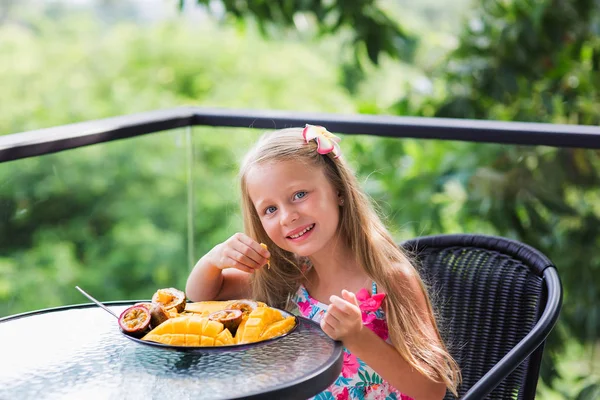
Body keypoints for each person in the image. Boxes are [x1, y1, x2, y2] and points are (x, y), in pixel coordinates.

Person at [186, 125, 461, 399]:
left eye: (299, 195)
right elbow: (200, 298)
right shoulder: (290, 277)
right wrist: (212, 261)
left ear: (339, 190)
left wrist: (357, 336)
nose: (287, 217)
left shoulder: (390, 278)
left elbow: (432, 389)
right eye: (270, 209)